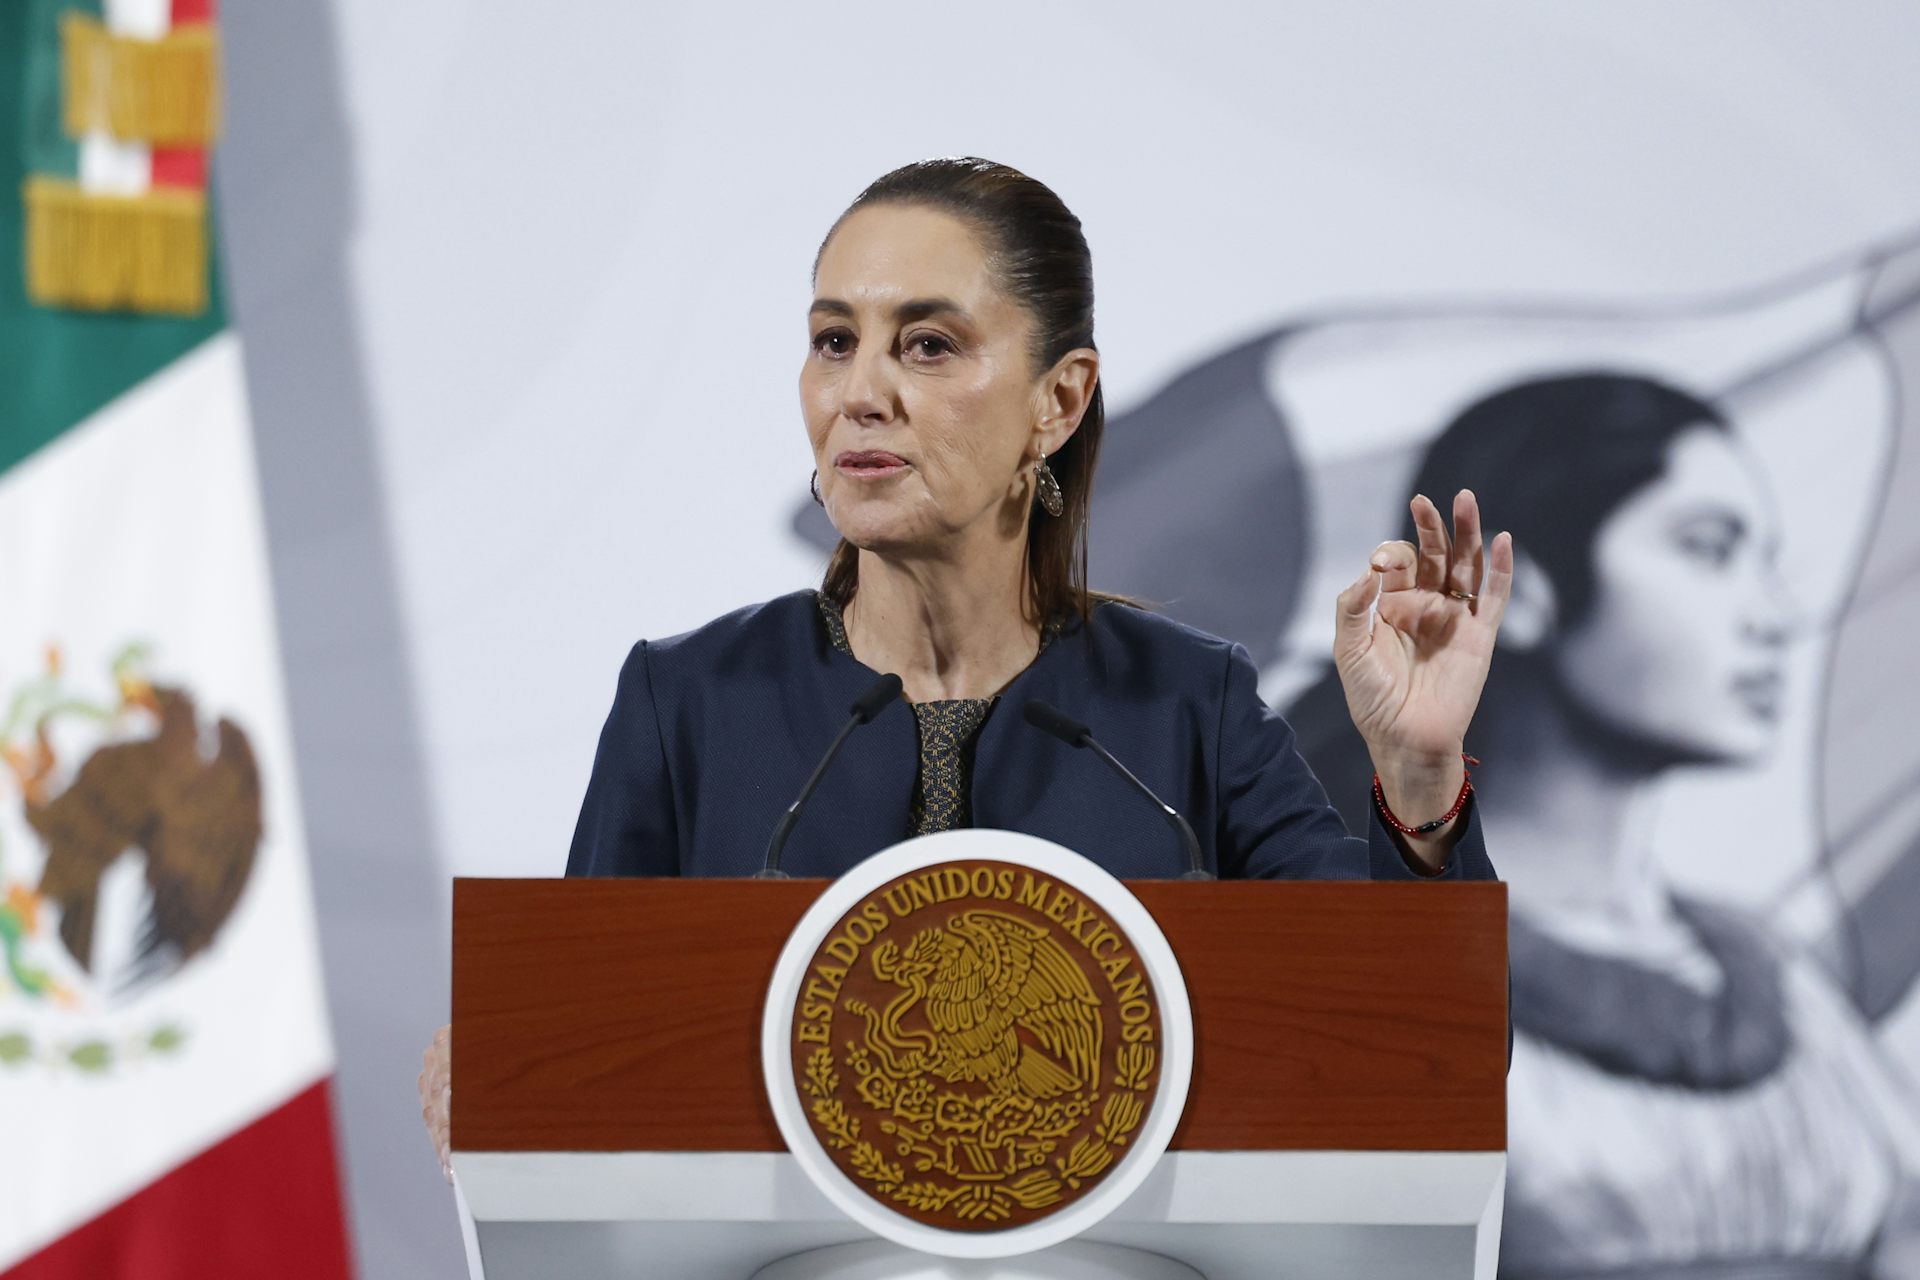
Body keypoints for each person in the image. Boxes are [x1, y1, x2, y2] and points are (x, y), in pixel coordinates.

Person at [418, 158, 1512, 1177]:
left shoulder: (1189, 706)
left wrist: (1421, 780)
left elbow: (1423, 1053)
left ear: (1060, 400)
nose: (861, 392)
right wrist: (514, 1081)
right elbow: (590, 1074)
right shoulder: (690, 702)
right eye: (834, 339)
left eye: (927, 344)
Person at [1289, 373, 1920, 1278]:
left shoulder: (1779, 981)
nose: (1775, 616)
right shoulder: (1354, 963)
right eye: (1708, 550)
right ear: (1525, 586)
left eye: (1766, 560)